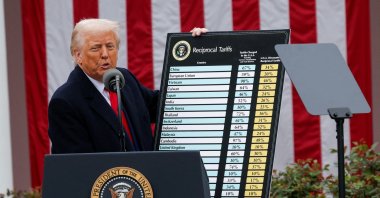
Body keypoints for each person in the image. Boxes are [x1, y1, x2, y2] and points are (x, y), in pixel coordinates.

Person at [48, 18, 207, 153]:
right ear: (78, 55)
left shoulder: (124, 79)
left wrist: (196, 51)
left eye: (110, 46)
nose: (105, 54)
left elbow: (164, 106)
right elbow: (76, 167)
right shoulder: (65, 102)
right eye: (96, 48)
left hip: (150, 182)